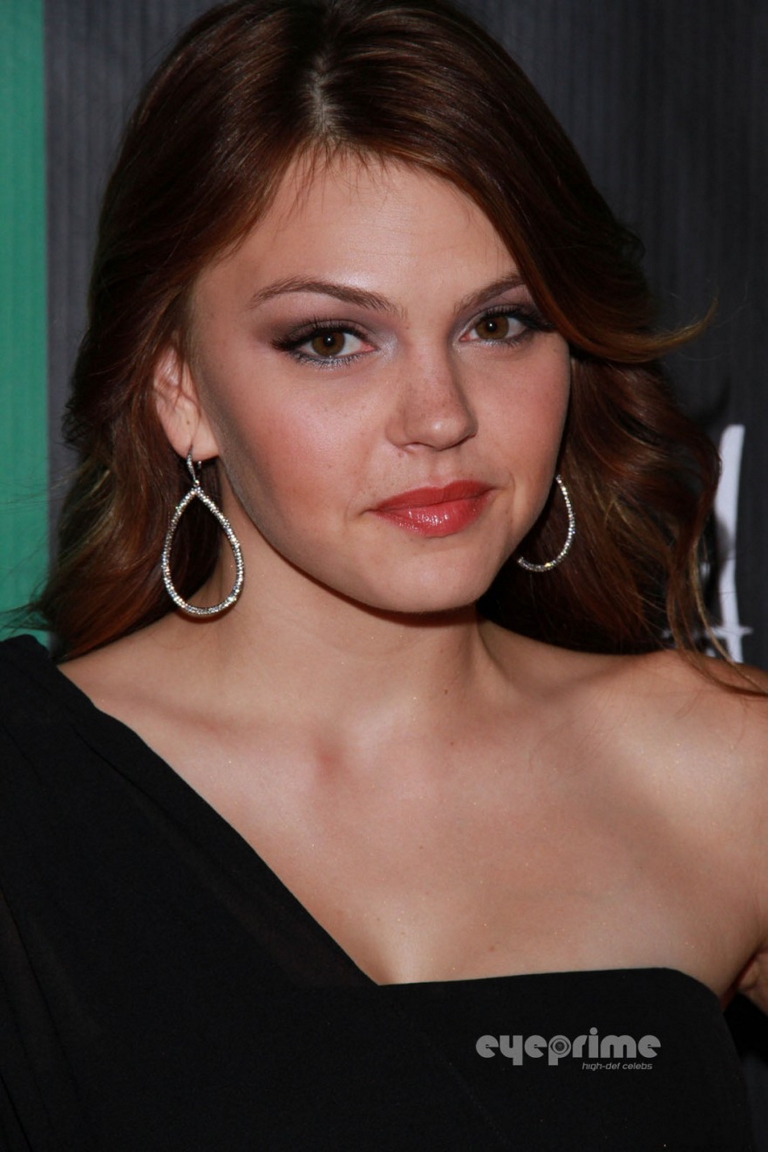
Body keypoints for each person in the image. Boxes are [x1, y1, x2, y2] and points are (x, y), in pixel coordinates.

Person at [1, 0, 766, 1147]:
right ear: (180, 389)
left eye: (500, 323)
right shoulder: (26, 805)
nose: (441, 416)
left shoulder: (726, 774)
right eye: (331, 340)